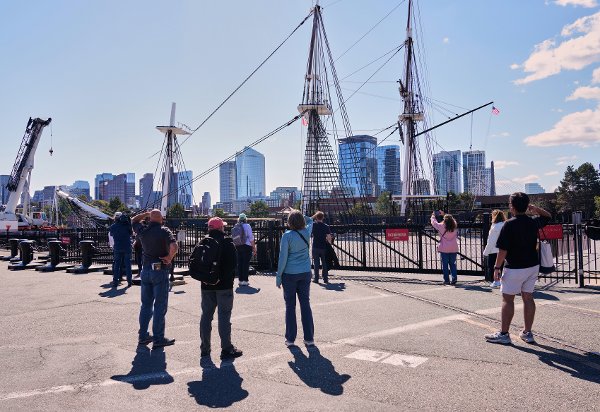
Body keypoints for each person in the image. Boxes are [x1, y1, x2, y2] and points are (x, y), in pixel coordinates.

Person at [485, 192, 551, 345]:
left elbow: (503, 250)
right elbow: (548, 216)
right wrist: (534, 208)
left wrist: (496, 267)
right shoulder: (533, 221)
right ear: (526, 205)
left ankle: (504, 334)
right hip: (532, 265)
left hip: (514, 267)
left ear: (512, 206)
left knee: (508, 299)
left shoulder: (509, 224)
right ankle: (527, 332)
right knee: (528, 297)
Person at [132, 209, 178, 348]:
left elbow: (133, 220)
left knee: (145, 305)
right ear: (162, 219)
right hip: (160, 270)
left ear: (150, 219)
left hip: (145, 271)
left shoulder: (143, 230)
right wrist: (169, 258)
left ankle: (143, 336)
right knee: (159, 305)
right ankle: (158, 338)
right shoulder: (164, 231)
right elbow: (174, 246)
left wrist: (145, 214)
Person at [200, 217, 243, 360]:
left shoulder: (204, 241)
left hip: (206, 285)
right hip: (224, 286)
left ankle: (205, 348)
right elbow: (233, 264)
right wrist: (221, 277)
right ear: (220, 228)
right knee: (224, 317)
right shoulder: (227, 242)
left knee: (206, 316)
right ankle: (226, 348)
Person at [276, 210, 315, 348]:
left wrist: (279, 276)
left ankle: (291, 338)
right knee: (305, 304)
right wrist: (300, 215)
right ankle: (309, 338)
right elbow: (310, 220)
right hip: (305, 272)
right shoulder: (307, 232)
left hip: (290, 274)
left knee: (290, 306)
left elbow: (283, 257)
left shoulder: (287, 236)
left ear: (289, 222)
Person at [430, 210, 459, 285]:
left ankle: (446, 280)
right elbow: (452, 220)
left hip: (444, 248)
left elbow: (434, 223)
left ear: (444, 220)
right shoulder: (454, 226)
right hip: (453, 248)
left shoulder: (441, 226)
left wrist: (433, 216)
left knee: (445, 265)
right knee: (453, 264)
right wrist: (444, 214)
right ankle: (454, 278)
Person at [109, 212, 133, 287]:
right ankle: (129, 281)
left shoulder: (113, 226)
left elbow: (112, 234)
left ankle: (115, 281)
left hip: (117, 247)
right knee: (128, 264)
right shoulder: (127, 226)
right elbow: (131, 234)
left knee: (117, 265)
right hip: (127, 247)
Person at [483, 210, 506, 288]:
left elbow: (491, 241)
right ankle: (503, 281)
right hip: (504, 249)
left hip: (494, 250)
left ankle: (495, 281)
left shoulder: (494, 227)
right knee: (503, 266)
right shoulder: (505, 224)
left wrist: (486, 252)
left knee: (492, 266)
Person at [233, 213, 255, 287]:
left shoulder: (236, 226)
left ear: (239, 219)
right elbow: (251, 238)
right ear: (245, 219)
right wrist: (254, 248)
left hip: (238, 246)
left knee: (240, 263)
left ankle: (240, 280)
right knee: (246, 263)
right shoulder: (247, 226)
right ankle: (245, 281)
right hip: (246, 246)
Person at [311, 211, 332, 284]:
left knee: (316, 263)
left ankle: (316, 278)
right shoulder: (325, 226)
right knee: (324, 263)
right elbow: (329, 237)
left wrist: (314, 216)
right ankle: (325, 278)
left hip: (315, 246)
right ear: (323, 217)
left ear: (316, 217)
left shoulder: (313, 225)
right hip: (323, 246)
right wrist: (329, 243)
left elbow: (308, 221)